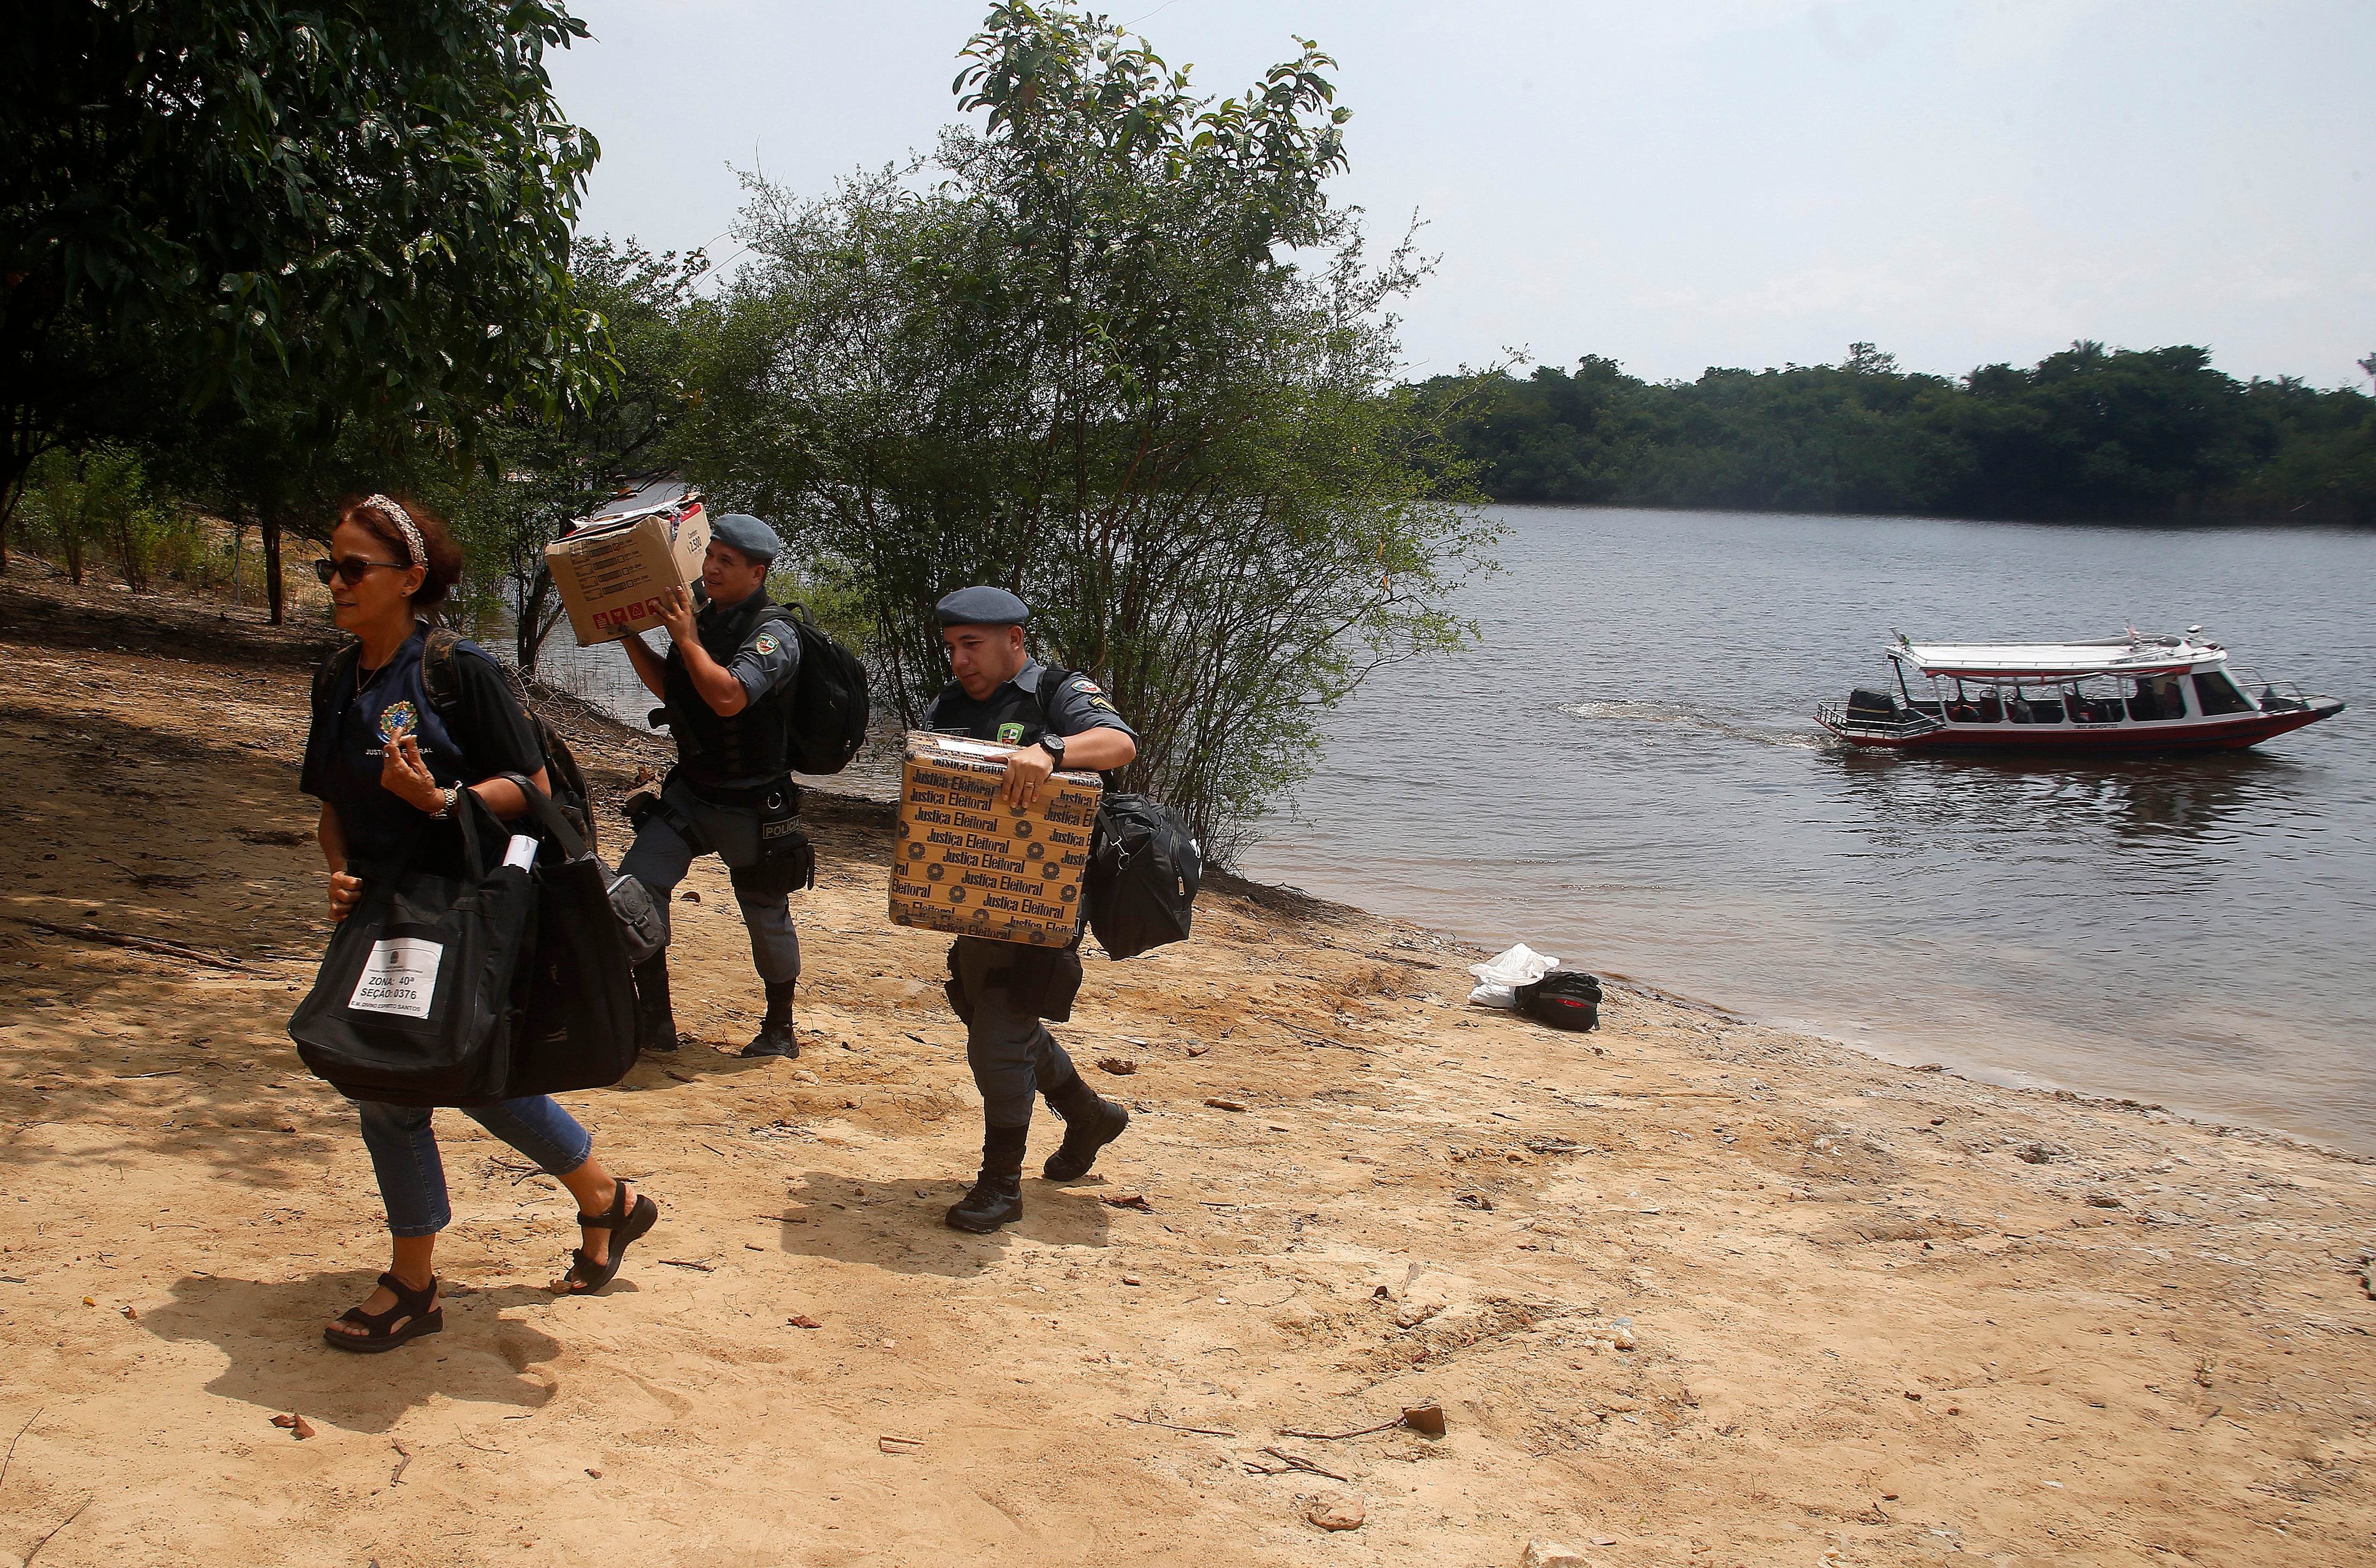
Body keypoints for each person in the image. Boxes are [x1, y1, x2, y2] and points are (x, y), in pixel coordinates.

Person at [301, 492, 658, 1352]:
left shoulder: (462, 672)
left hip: (465, 907)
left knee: (397, 1083)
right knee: (462, 1073)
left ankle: (413, 1284)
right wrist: (338, 872)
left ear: (410, 578)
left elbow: (532, 785)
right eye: (331, 567)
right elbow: (329, 800)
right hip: (382, 908)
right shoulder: (335, 675)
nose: (338, 583)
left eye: (355, 568)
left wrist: (442, 797)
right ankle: (609, 1201)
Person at [925, 586, 1139, 1233]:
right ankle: (1088, 1113)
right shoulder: (951, 702)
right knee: (984, 1009)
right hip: (974, 892)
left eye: (972, 645)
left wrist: (1051, 750)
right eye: (952, 647)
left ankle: (1001, 1185)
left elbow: (1119, 743)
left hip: (1048, 896)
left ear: (1014, 639)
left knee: (997, 1030)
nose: (960, 659)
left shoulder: (1056, 690)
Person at [615, 513, 812, 1058]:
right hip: (691, 793)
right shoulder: (699, 615)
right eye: (711, 555)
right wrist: (631, 636)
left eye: (728, 561)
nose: (713, 568)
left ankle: (779, 1029)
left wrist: (683, 636)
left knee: (764, 909)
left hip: (752, 803)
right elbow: (674, 685)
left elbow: (728, 696)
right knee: (635, 887)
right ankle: (655, 1021)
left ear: (759, 571)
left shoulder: (776, 633)